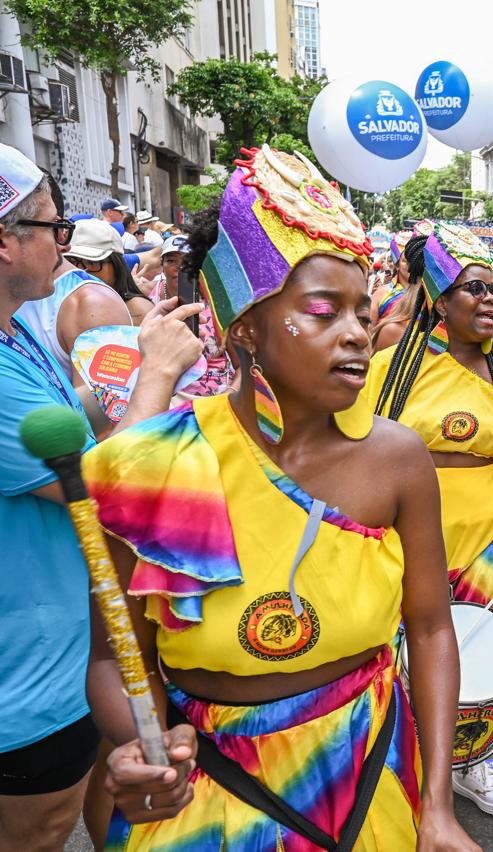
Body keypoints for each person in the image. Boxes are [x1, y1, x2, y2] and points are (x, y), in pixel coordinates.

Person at [82, 146, 477, 851]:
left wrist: (439, 805)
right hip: (212, 792)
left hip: (368, 772)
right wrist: (139, 743)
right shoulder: (154, 462)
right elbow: (116, 658)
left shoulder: (396, 459)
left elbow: (431, 627)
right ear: (245, 326)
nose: (357, 332)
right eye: (324, 311)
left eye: (363, 309)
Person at [0, 143, 202, 852]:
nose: (67, 244)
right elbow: (106, 489)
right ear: (4, 238)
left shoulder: (18, 330)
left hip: (63, 649)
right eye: (55, 228)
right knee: (40, 832)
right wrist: (157, 373)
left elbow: (70, 416)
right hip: (24, 678)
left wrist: (134, 366)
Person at [363, 219, 493, 818]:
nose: (492, 298)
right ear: (440, 301)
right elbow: (351, 444)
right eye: (475, 288)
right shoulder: (392, 365)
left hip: (490, 538)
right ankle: (394, 763)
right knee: (394, 654)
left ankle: (467, 763)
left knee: (480, 655)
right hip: (402, 537)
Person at [15, 174, 132, 384]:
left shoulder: (91, 305)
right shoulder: (14, 298)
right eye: (76, 260)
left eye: (93, 262)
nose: (64, 245)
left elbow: (108, 412)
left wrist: (158, 374)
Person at [149, 234, 233, 397]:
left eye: (186, 261)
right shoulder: (150, 299)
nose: (178, 267)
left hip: (214, 395)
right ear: (162, 265)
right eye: (171, 261)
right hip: (163, 394)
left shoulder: (217, 301)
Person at [64, 219, 152, 327]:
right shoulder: (63, 305)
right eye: (72, 261)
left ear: (116, 265)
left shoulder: (138, 308)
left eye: (91, 262)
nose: (81, 271)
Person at [371, 234, 429, 352]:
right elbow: (368, 327)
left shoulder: (429, 294)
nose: (409, 266)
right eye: (405, 261)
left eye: (413, 262)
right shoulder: (382, 292)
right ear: (396, 265)